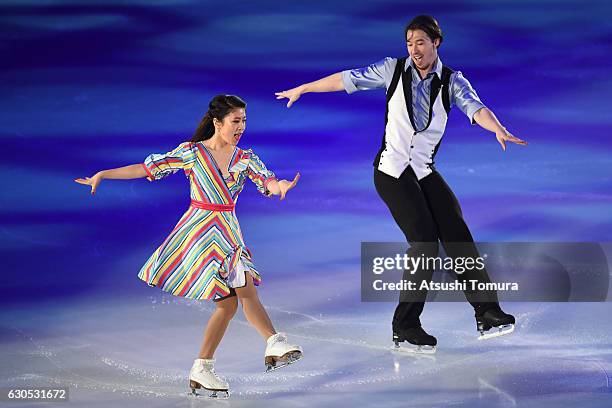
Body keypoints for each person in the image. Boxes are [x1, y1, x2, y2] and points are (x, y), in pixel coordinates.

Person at [275, 16, 526, 353]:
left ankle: (487, 312)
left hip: (423, 170)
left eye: (420, 42)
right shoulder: (392, 70)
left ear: (436, 43)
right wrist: (304, 88)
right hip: (392, 171)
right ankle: (406, 326)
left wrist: (496, 128)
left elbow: (475, 108)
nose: (414, 49)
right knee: (424, 242)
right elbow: (347, 79)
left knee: (456, 232)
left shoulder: (453, 81)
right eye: (409, 43)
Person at [75, 94, 303, 397]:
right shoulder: (192, 153)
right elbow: (146, 168)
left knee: (228, 303)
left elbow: (268, 182)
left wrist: (281, 187)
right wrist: (103, 175)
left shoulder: (245, 158)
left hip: (228, 229)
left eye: (244, 121)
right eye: (236, 121)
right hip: (200, 229)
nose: (241, 127)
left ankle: (203, 368)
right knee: (242, 286)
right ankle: (273, 341)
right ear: (217, 122)